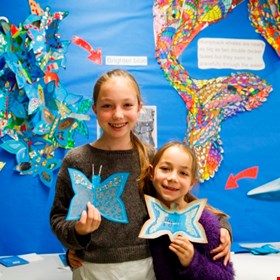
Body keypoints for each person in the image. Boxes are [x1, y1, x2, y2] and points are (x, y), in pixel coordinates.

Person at [50, 69, 232, 279]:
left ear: (139, 108)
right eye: (107, 106)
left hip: (145, 269)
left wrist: (223, 226)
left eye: (127, 105)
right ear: (95, 109)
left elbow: (185, 201)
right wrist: (77, 234)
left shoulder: (151, 158)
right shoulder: (76, 160)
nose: (118, 114)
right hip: (90, 268)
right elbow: (59, 218)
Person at [139, 141, 235, 279]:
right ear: (151, 172)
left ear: (192, 183)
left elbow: (226, 277)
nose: (172, 178)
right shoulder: (144, 213)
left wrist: (193, 260)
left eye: (183, 173)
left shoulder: (205, 223)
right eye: (165, 168)